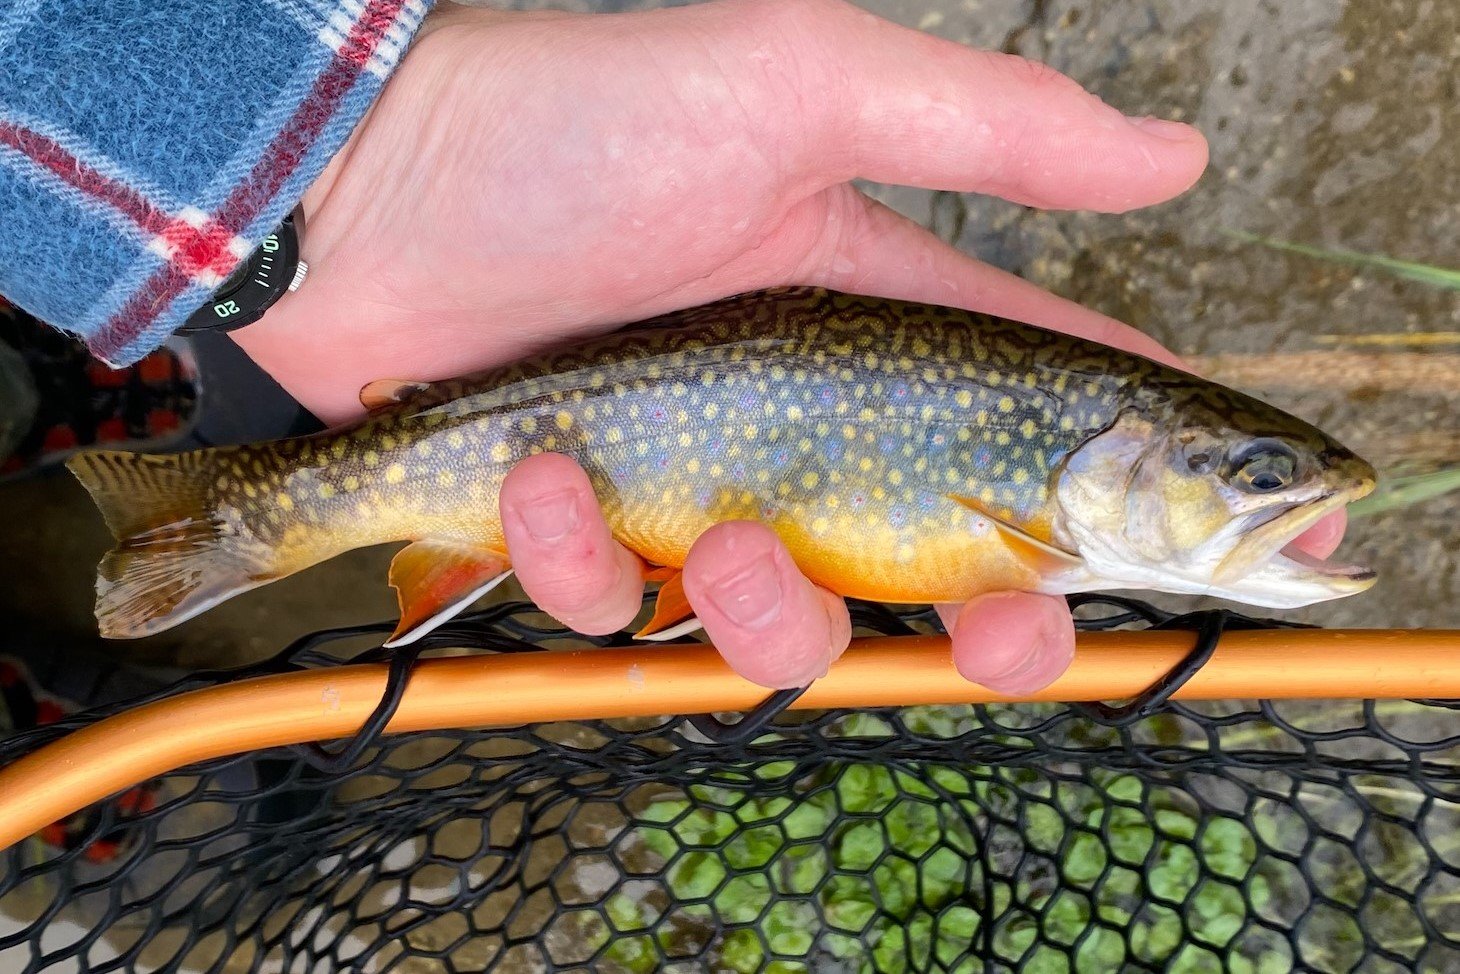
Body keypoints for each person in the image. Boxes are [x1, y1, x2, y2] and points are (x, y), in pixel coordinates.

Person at [0, 0, 1344, 694]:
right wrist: (348, 171)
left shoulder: (1049, 490)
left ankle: (166, 523)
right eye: (1254, 472)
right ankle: (226, 521)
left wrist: (352, 168)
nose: (1281, 496)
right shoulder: (1029, 518)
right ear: (1132, 452)